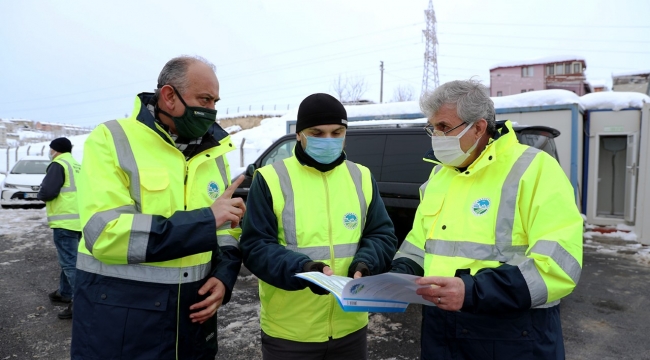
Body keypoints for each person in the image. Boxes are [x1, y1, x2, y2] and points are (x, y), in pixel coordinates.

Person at [390, 79, 583, 360]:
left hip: (512, 334)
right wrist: (399, 272)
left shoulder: (535, 169)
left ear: (479, 127)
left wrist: (471, 291)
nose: (436, 136)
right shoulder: (440, 175)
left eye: (444, 127)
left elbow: (558, 266)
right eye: (432, 127)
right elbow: (420, 242)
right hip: (440, 327)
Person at [71, 56, 246, 360]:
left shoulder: (215, 154)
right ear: (168, 96)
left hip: (192, 329)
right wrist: (206, 220)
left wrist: (224, 275)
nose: (212, 110)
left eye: (215, 101)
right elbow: (105, 234)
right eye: (204, 99)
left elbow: (226, 230)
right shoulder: (111, 139)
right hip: (123, 328)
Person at [240, 93, 398, 360]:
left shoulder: (361, 176)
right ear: (299, 134)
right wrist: (304, 270)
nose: (328, 140)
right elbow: (256, 246)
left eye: (337, 132)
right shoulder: (270, 178)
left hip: (351, 327)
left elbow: (381, 234)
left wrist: (366, 263)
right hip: (290, 332)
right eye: (317, 132)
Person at [37, 137, 82, 320]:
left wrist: (40, 193)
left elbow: (48, 192)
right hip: (79, 221)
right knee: (69, 259)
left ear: (56, 149)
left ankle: (80, 302)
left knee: (70, 263)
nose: (50, 152)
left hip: (65, 222)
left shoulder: (58, 164)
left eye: (51, 149)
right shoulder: (77, 165)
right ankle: (64, 293)